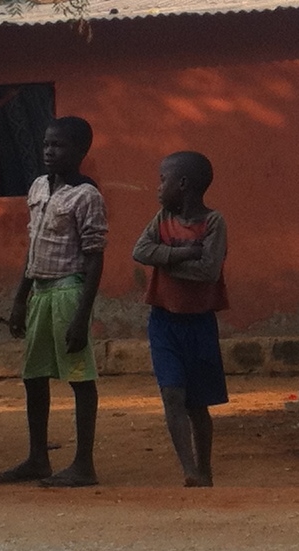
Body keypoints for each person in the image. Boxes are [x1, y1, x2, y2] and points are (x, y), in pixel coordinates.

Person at [0, 116, 107, 488]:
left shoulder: (86, 195)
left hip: (69, 292)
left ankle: (84, 464)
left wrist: (81, 317)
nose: (49, 151)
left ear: (81, 151)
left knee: (79, 377)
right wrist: (19, 299)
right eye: (45, 144)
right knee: (34, 377)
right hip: (40, 292)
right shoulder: (39, 187)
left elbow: (95, 257)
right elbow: (33, 247)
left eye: (58, 145)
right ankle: (38, 458)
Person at [132, 151, 228, 488]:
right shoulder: (161, 218)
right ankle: (189, 469)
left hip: (199, 324)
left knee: (197, 404)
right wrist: (183, 253)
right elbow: (140, 251)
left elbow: (208, 270)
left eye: (163, 180)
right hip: (164, 322)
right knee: (172, 394)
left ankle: (205, 467)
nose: (158, 187)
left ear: (183, 184)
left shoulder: (214, 223)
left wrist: (164, 261)